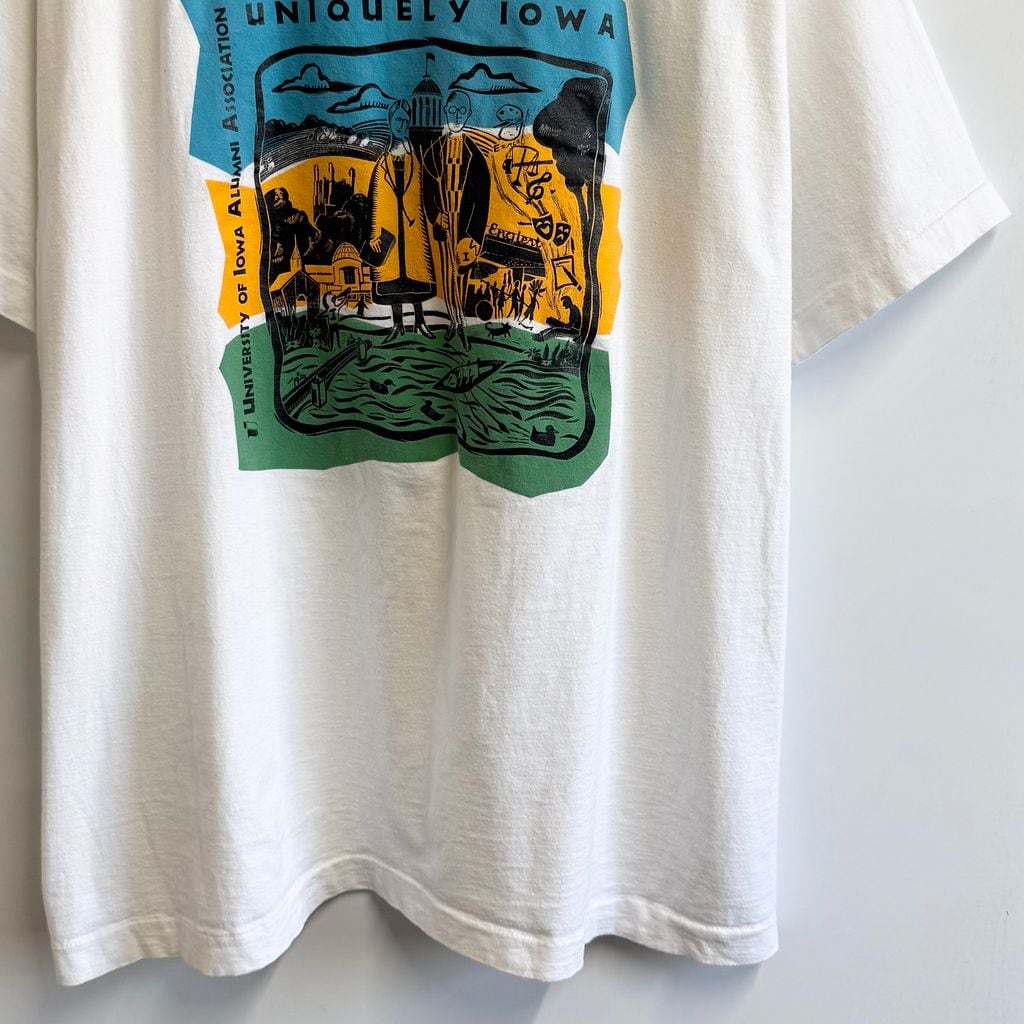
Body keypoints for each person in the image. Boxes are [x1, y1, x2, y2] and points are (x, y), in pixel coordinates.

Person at [422, 89, 491, 348]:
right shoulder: (433, 152)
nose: (457, 116)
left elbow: (482, 201)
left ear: (469, 114)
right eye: (452, 110)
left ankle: (459, 322)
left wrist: (473, 236)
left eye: (462, 112)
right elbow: (427, 190)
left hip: (464, 227)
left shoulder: (476, 157)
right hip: (443, 225)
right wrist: (436, 215)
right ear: (445, 111)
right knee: (444, 274)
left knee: (462, 275)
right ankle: (452, 322)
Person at [366, 99, 435, 343]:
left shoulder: (416, 160)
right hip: (389, 228)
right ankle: (397, 325)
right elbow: (375, 201)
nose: (401, 124)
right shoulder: (381, 164)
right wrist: (374, 235)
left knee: (415, 277)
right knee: (393, 279)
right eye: (397, 120)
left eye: (405, 121)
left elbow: (426, 195)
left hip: (413, 227)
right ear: (390, 122)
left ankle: (420, 321)